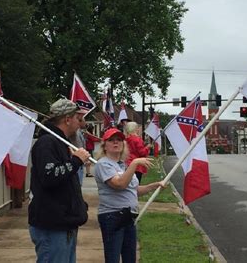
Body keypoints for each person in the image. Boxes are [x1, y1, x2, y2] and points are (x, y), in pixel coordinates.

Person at [28, 99, 91, 263]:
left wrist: (78, 205)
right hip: (52, 225)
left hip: (64, 222)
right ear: (67, 119)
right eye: (78, 119)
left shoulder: (61, 142)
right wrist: (75, 161)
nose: (80, 124)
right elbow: (50, 176)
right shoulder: (46, 143)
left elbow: (66, 180)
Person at [94, 128, 164, 263]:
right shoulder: (103, 164)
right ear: (104, 146)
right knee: (113, 258)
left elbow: (133, 190)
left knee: (130, 258)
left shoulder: (122, 165)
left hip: (128, 216)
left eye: (119, 140)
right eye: (111, 140)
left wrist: (153, 186)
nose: (116, 143)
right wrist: (135, 163)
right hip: (112, 216)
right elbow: (120, 184)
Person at [69, 115, 87, 185]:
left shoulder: (79, 131)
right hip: (75, 157)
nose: (85, 123)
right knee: (77, 182)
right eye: (83, 120)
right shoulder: (74, 131)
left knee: (79, 182)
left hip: (81, 159)